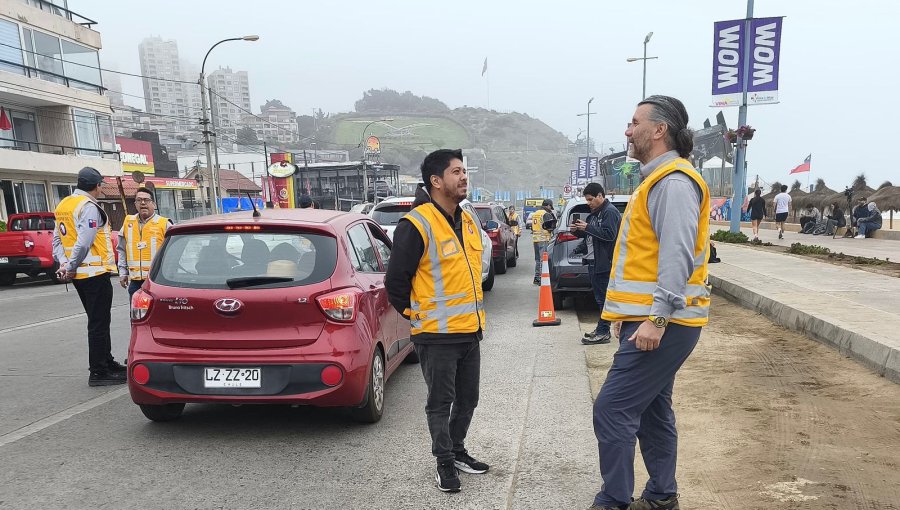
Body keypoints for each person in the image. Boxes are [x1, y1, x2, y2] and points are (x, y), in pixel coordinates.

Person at [588, 96, 711, 510]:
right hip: (656, 320)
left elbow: (677, 256)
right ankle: (661, 496)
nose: (627, 129)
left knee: (612, 409)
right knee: (654, 412)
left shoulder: (673, 182)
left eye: (634, 122)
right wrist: (631, 315)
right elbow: (646, 261)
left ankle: (614, 500)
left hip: (668, 322)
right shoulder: (657, 180)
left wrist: (656, 318)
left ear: (659, 130)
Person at [384, 149, 488, 493]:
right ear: (436, 180)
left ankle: (457, 450)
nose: (463, 177)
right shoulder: (415, 224)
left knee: (468, 399)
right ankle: (444, 462)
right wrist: (419, 317)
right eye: (456, 172)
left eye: (464, 171)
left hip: (470, 331)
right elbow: (396, 283)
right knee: (440, 403)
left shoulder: (466, 218)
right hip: (437, 336)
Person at [52, 167, 125, 387]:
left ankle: (107, 361)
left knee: (99, 320)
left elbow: (57, 240)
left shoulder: (64, 204)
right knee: (99, 322)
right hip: (94, 272)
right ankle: (99, 371)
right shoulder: (88, 207)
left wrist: (64, 264)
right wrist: (71, 264)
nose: (102, 188)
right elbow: (84, 241)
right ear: (96, 186)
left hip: (80, 275)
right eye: (101, 184)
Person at [570, 182, 622, 345]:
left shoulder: (610, 213)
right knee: (599, 298)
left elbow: (609, 236)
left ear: (600, 196)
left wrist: (588, 227)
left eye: (591, 199)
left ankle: (603, 331)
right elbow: (590, 239)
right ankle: (601, 329)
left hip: (605, 263)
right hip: (593, 262)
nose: (589, 203)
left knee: (603, 299)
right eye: (587, 200)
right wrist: (578, 232)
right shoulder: (594, 215)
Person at [117, 187, 172, 299]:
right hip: (135, 283)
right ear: (135, 204)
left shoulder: (164, 224)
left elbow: (174, 253)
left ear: (154, 204)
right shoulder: (128, 222)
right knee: (136, 315)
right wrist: (123, 273)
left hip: (157, 281)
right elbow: (121, 250)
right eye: (139, 200)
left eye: (146, 200)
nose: (143, 203)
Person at [530, 199, 556, 285]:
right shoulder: (546, 214)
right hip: (543, 239)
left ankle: (537, 278)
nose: (550, 209)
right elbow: (550, 227)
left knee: (537, 260)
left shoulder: (535, 213)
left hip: (535, 239)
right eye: (550, 207)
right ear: (548, 205)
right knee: (543, 260)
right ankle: (542, 279)